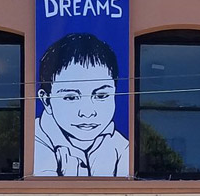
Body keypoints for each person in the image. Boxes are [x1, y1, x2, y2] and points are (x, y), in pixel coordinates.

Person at [34, 33, 129, 176]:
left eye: (101, 96)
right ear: (46, 101)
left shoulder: (119, 145)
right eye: (71, 97)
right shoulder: (36, 139)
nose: (87, 112)